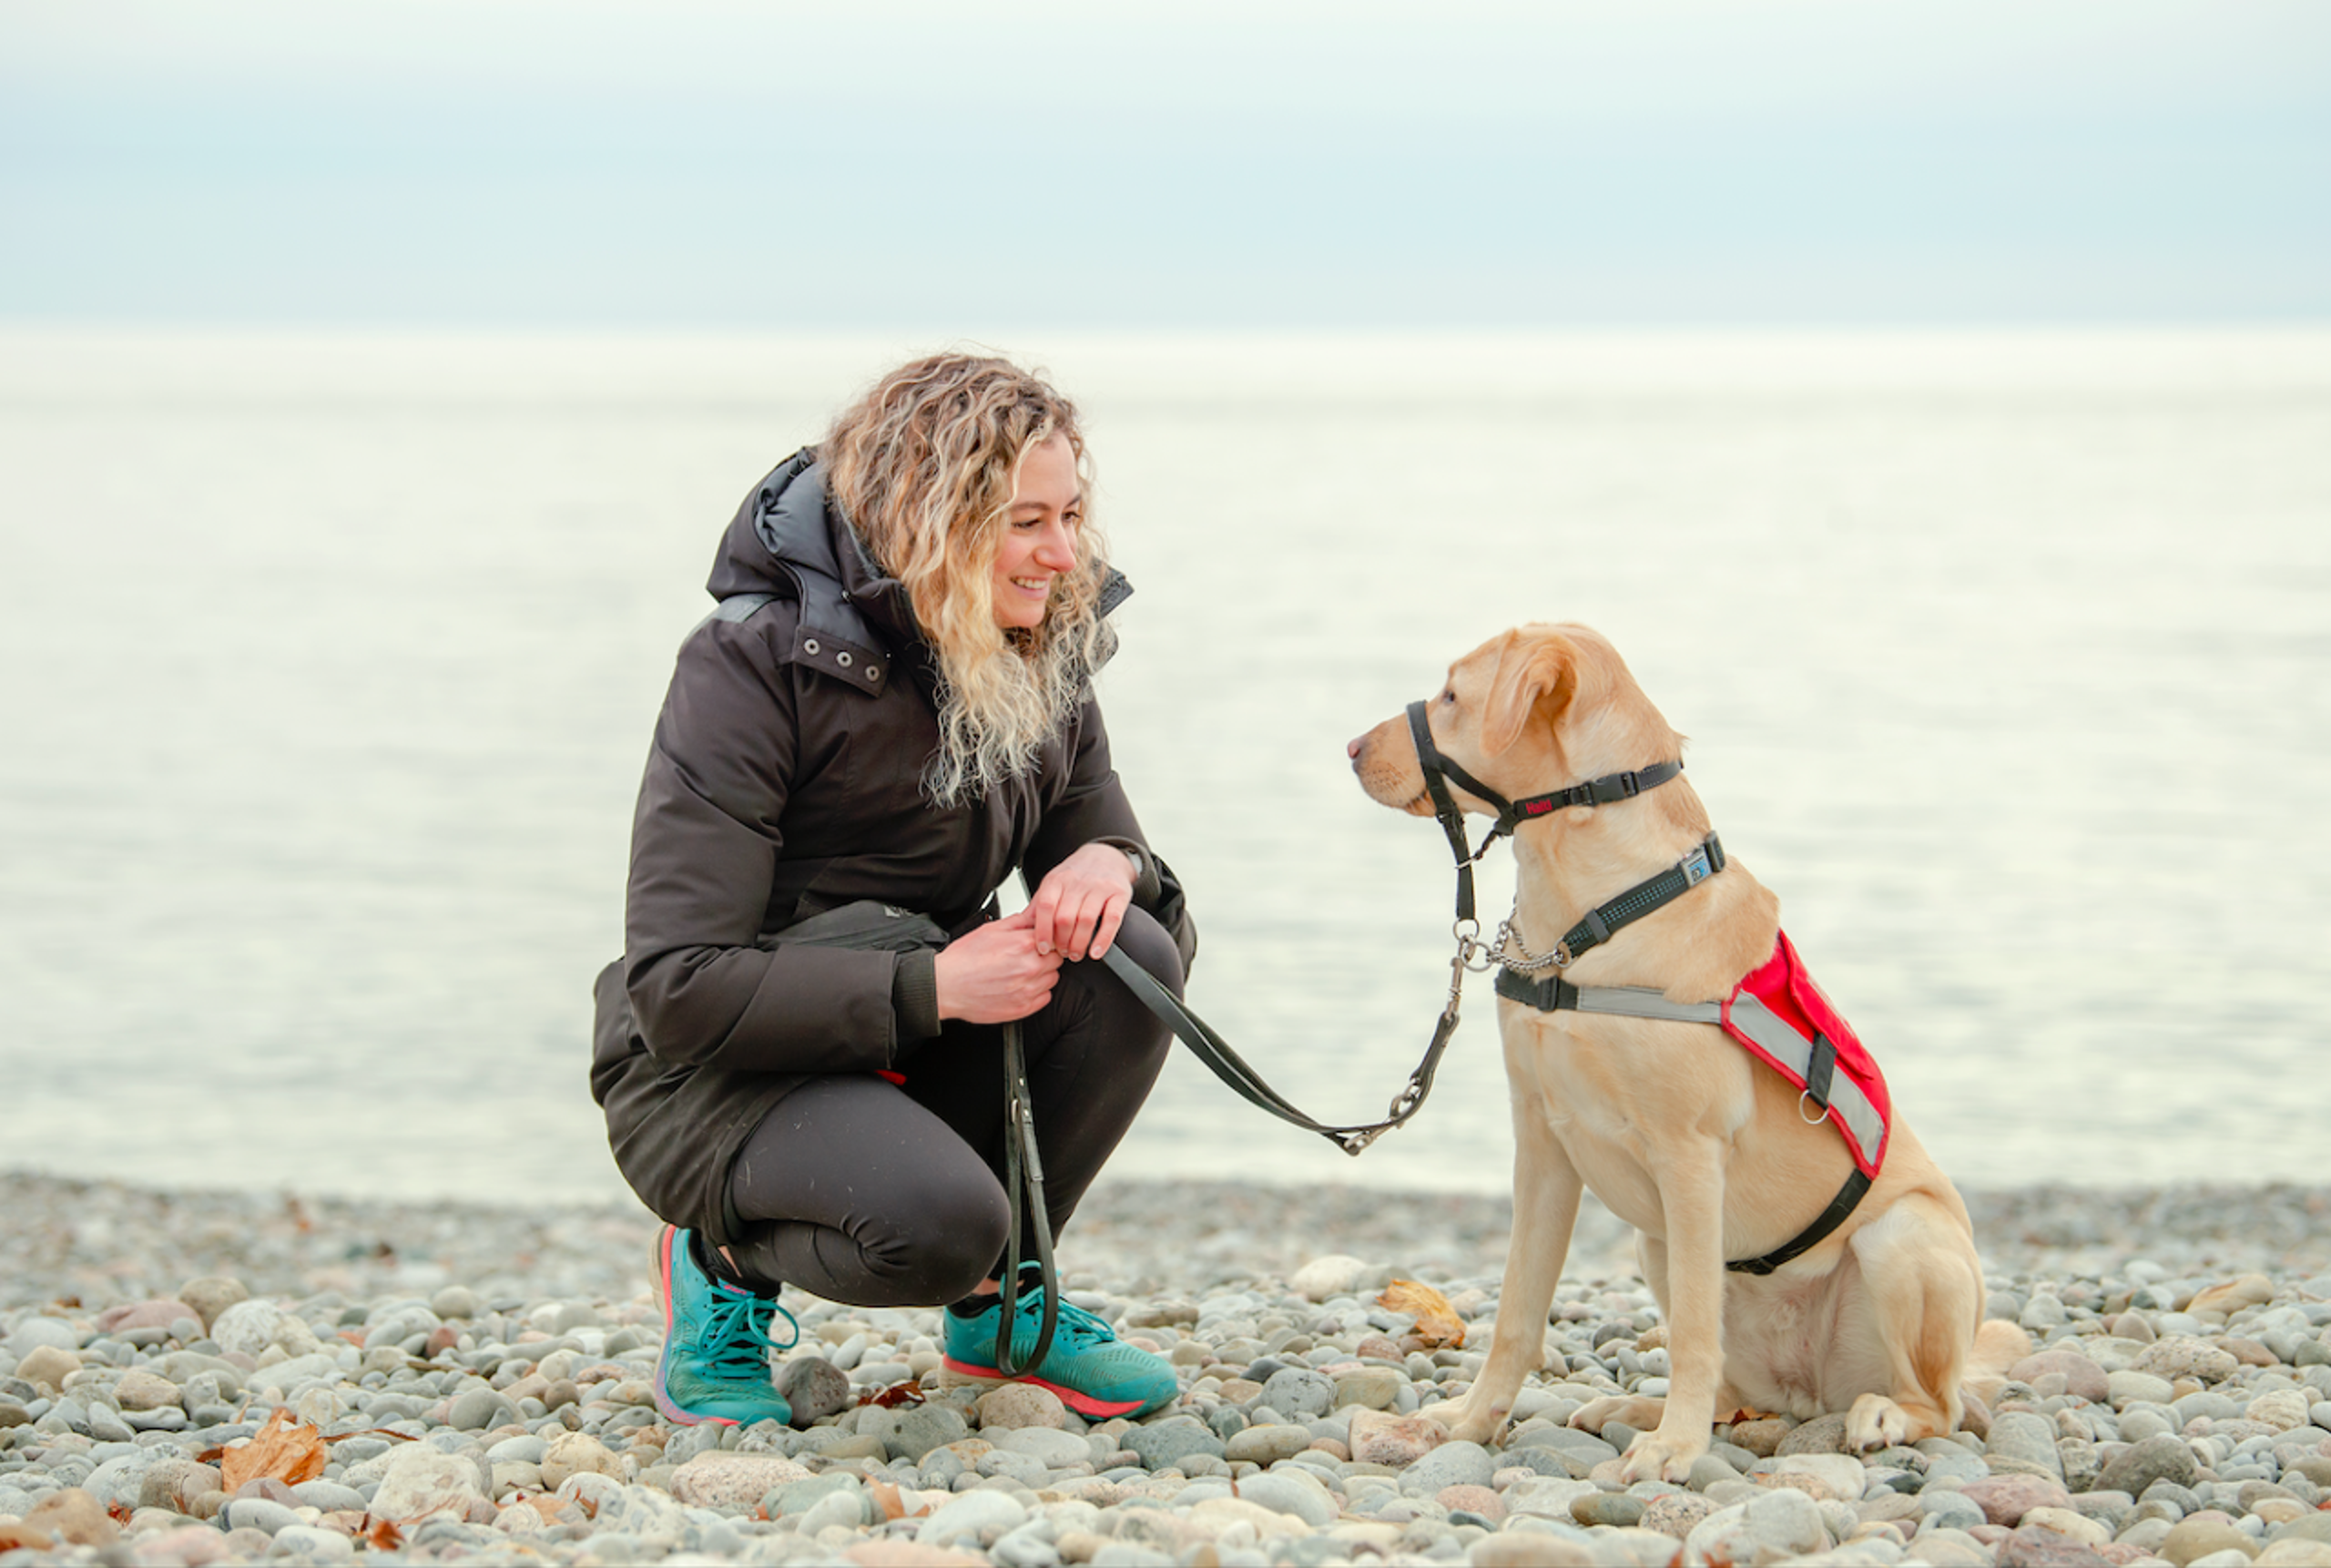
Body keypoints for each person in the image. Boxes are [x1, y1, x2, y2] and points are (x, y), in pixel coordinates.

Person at [590, 352, 1196, 1430]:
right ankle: (719, 1266)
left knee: (1130, 949)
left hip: (908, 1029)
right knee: (935, 1227)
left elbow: (1106, 844)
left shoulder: (1037, 647)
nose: (1063, 555)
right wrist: (934, 989)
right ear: (932, 519)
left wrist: (1113, 864)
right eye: (1026, 522)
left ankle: (1006, 1313)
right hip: (714, 1074)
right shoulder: (747, 666)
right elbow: (675, 988)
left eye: (1071, 515)